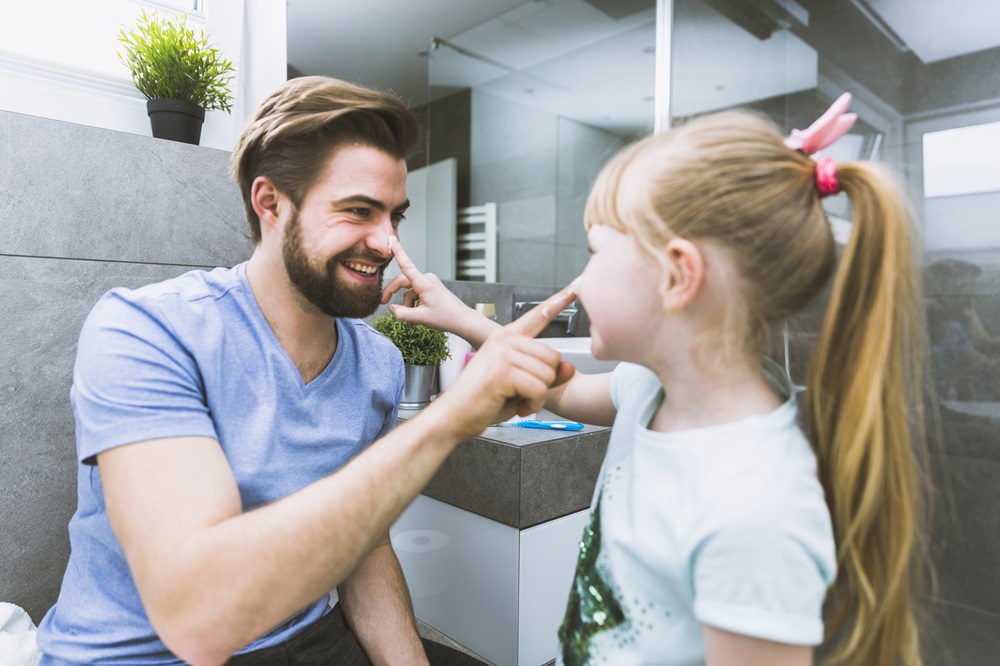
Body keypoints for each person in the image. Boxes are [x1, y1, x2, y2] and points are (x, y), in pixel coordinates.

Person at [35, 76, 577, 666]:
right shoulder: (147, 331)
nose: (388, 241)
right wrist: (449, 417)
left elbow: (364, 547)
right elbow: (199, 620)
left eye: (395, 215)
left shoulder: (377, 361)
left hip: (309, 640)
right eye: (358, 212)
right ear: (270, 203)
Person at [382, 93, 932, 666]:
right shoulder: (651, 388)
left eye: (595, 253)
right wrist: (461, 318)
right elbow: (559, 390)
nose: (579, 282)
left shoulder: (755, 509)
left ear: (677, 275)